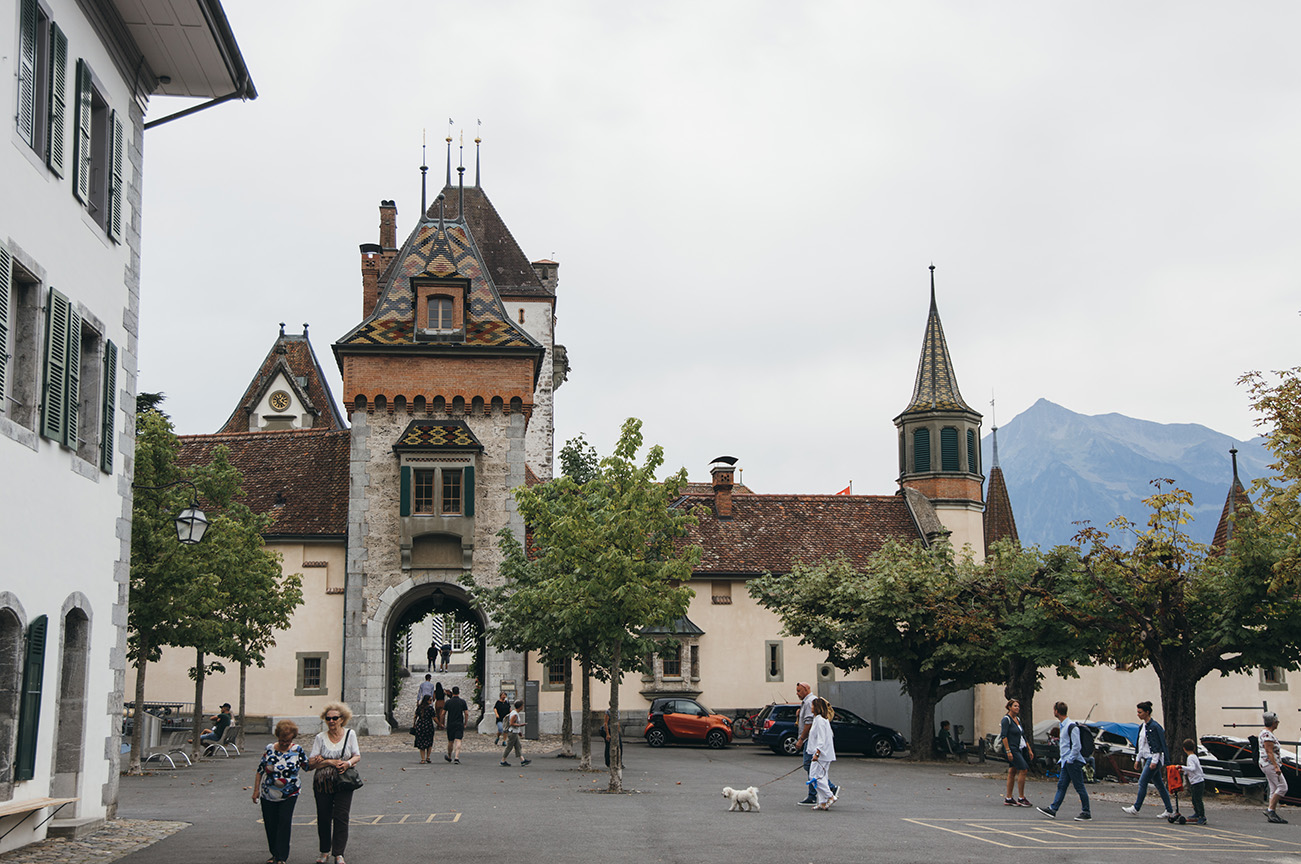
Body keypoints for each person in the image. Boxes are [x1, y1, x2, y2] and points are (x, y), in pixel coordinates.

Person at [308, 702, 361, 864]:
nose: (331, 721)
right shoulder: (320, 738)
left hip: (343, 781)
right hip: (322, 782)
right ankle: (324, 851)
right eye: (328, 718)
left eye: (334, 718)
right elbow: (311, 763)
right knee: (323, 817)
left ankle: (338, 853)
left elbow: (356, 756)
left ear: (342, 719)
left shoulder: (350, 734)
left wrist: (347, 763)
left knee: (341, 817)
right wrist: (329, 761)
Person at [253, 719, 308, 864]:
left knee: (284, 821)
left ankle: (282, 857)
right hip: (268, 792)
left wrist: (325, 761)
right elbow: (260, 770)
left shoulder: (297, 750)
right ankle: (274, 853)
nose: (284, 743)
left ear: (292, 738)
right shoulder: (270, 748)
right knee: (270, 823)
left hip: (290, 792)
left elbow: (307, 766)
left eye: (287, 740)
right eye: (282, 740)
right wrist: (256, 790)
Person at [1037, 701, 1091, 821]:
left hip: (1072, 761)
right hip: (1066, 761)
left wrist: (1070, 760)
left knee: (1079, 786)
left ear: (1056, 711)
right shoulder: (1064, 725)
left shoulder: (1071, 726)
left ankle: (1086, 812)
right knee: (1061, 785)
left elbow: (1077, 746)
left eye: (1054, 710)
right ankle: (1053, 809)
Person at [1122, 700, 1173, 818]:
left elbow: (1158, 745)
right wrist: (1137, 759)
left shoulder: (1155, 727)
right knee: (1159, 784)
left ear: (1147, 712)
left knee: (1142, 781)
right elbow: (1141, 744)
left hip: (1153, 758)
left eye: (1140, 712)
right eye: (1138, 712)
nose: (1138, 714)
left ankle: (1136, 807)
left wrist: (1155, 761)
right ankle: (1169, 810)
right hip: (1146, 757)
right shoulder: (1143, 726)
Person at [999, 698, 1034, 807]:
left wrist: (1029, 748)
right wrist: (1008, 751)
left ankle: (1009, 797)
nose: (1017, 708)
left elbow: (1023, 735)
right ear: (1009, 707)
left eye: (1018, 706)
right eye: (1015, 706)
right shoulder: (1006, 720)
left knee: (1012, 771)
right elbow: (1004, 736)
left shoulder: (1017, 719)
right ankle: (1021, 797)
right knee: (1023, 769)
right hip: (1012, 748)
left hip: (1020, 747)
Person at [808, 697, 838, 810]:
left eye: (812, 705)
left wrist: (817, 753)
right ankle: (822, 802)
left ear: (816, 707)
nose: (811, 707)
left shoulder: (820, 720)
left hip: (821, 754)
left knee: (814, 777)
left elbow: (821, 739)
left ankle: (829, 796)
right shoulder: (821, 719)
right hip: (825, 754)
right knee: (823, 777)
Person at [1260, 711, 1289, 823]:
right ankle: (1270, 810)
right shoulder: (1267, 735)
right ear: (1273, 723)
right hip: (1270, 764)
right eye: (1277, 722)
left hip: (1267, 764)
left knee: (1273, 787)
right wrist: (1276, 767)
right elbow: (1269, 751)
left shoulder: (1265, 733)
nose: (1278, 723)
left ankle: (1272, 812)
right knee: (1283, 787)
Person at [1180, 738, 1207, 825]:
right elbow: (1191, 770)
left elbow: (1192, 768)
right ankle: (1197, 813)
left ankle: (1202, 816)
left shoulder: (1190, 758)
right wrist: (1184, 771)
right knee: (1194, 799)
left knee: (1197, 799)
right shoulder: (1194, 756)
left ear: (1184, 748)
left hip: (1197, 781)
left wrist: (1182, 767)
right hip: (1196, 781)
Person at [501, 699, 531, 767]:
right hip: (512, 733)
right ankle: (503, 760)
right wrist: (521, 725)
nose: (523, 706)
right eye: (522, 705)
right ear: (520, 706)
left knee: (518, 746)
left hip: (515, 732)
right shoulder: (514, 714)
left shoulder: (514, 712)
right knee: (509, 747)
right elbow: (511, 723)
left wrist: (519, 731)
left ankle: (522, 760)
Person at [443, 685, 468, 763]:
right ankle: (456, 757)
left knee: (450, 741)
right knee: (458, 740)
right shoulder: (462, 702)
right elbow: (466, 713)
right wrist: (465, 723)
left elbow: (443, 713)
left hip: (450, 723)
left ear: (452, 692)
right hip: (459, 723)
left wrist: (441, 723)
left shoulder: (448, 702)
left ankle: (450, 756)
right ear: (459, 692)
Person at [412, 694, 436, 764]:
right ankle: (428, 757)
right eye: (430, 700)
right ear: (427, 701)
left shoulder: (419, 707)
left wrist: (414, 724)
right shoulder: (430, 709)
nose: (431, 701)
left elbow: (415, 716)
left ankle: (423, 758)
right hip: (428, 726)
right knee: (429, 742)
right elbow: (434, 717)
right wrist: (440, 724)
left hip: (420, 725)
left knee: (421, 743)